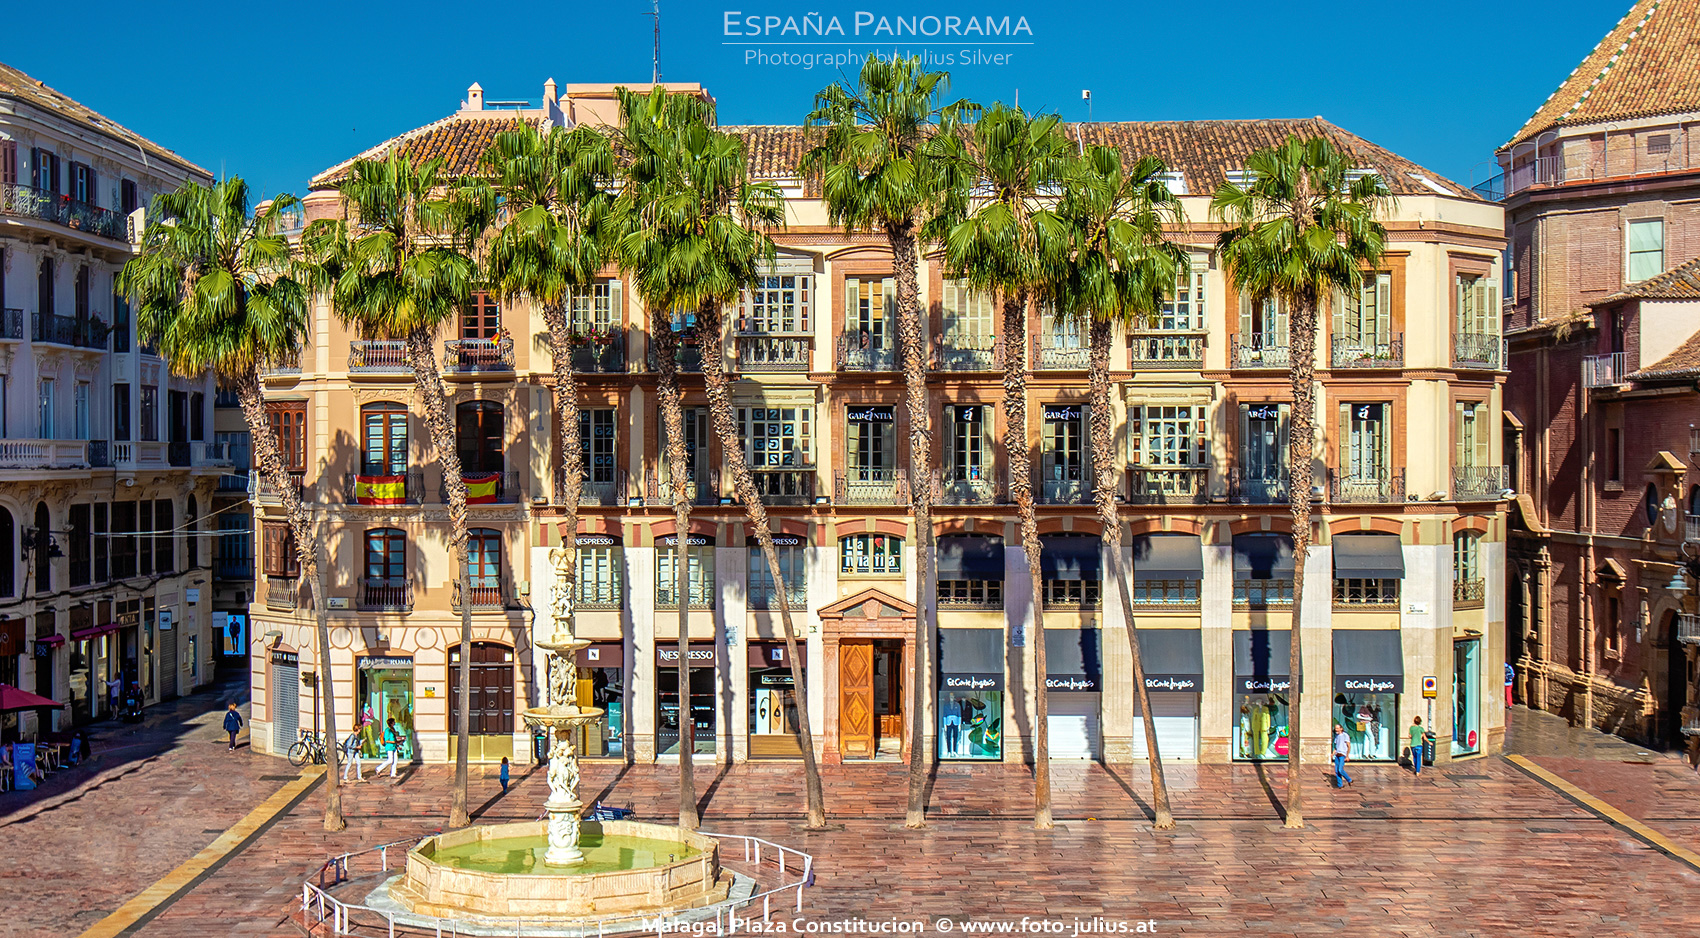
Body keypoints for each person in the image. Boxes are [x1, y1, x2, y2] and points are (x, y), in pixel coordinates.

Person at [1333, 723, 1353, 788]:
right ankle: (1340, 785)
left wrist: (1347, 756)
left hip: (1342, 755)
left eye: (1337, 728)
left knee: (1340, 770)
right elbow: (1336, 747)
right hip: (1337, 755)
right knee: (1336, 771)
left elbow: (1348, 746)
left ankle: (1349, 779)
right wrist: (1332, 754)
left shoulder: (1345, 735)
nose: (1336, 729)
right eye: (1335, 728)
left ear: (1341, 728)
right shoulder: (1337, 736)